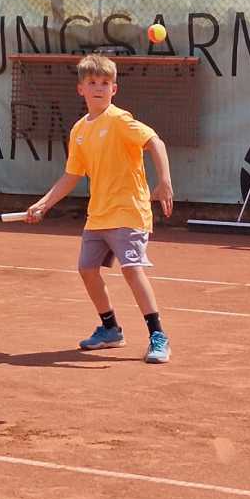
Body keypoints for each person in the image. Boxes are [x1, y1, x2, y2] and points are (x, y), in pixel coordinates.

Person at [27, 53, 174, 364]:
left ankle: (158, 336)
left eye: (105, 83)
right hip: (99, 214)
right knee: (87, 269)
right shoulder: (79, 131)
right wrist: (44, 204)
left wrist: (164, 181)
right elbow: (71, 175)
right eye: (92, 82)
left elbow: (155, 142)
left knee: (131, 269)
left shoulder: (120, 120)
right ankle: (110, 330)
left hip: (129, 210)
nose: (99, 87)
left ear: (114, 89)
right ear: (81, 89)